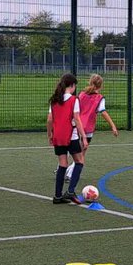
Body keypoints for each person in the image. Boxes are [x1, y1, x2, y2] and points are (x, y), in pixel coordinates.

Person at [48, 72, 87, 204]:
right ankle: (70, 191)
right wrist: (84, 136)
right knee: (80, 161)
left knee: (62, 164)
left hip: (58, 136)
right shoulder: (73, 100)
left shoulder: (54, 100)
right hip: (71, 136)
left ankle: (58, 196)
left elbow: (49, 119)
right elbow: (77, 118)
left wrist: (50, 134)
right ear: (72, 85)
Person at [78, 74, 119, 149]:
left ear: (90, 82)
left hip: (77, 126)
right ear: (101, 86)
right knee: (81, 155)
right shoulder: (99, 98)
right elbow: (103, 112)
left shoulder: (81, 94)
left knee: (76, 153)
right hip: (88, 128)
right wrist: (113, 126)